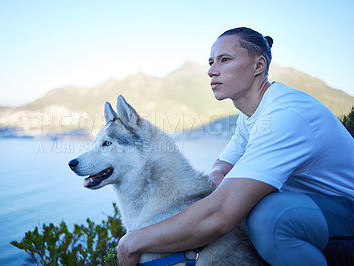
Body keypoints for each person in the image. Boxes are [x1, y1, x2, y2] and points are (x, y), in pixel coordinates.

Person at [116, 27, 354, 266]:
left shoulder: (285, 115)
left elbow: (221, 216)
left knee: (269, 218)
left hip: (346, 214)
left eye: (225, 60)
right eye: (210, 62)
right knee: (238, 204)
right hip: (319, 212)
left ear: (258, 66)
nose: (211, 71)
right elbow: (221, 168)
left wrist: (133, 241)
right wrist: (218, 188)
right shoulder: (250, 116)